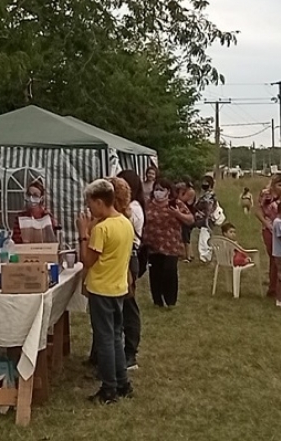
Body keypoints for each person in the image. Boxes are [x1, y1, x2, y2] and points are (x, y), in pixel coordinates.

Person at [78, 179, 134, 404]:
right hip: (118, 287)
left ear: (100, 202)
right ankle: (122, 382)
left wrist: (83, 233)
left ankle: (109, 387)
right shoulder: (124, 223)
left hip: (101, 289)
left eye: (90, 204)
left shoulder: (102, 229)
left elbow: (87, 260)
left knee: (104, 339)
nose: (89, 209)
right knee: (116, 337)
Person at [142, 179, 195, 307]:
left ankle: (170, 300)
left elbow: (190, 220)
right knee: (155, 272)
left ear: (168, 192)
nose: (158, 192)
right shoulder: (148, 204)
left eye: (162, 190)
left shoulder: (176, 204)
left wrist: (178, 214)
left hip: (171, 245)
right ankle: (157, 300)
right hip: (153, 245)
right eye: (156, 189)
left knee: (169, 271)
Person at [116, 170, 146, 370]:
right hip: (122, 258)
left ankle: (130, 353)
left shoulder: (133, 209)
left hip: (128, 257)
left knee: (128, 305)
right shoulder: (129, 208)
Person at [255, 173, 281, 298]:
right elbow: (258, 210)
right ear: (274, 184)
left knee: (278, 258)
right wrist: (266, 223)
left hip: (280, 229)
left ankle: (276, 286)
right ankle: (274, 287)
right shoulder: (266, 194)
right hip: (268, 229)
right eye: (279, 185)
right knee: (274, 257)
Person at [194, 176, 218, 264]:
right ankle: (205, 256)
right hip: (205, 219)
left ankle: (206, 257)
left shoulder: (209, 196)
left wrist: (206, 220)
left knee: (204, 238)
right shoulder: (205, 195)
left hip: (207, 219)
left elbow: (209, 209)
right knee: (204, 237)